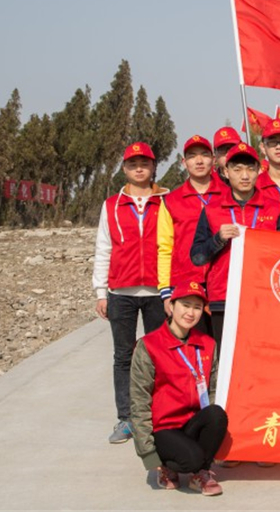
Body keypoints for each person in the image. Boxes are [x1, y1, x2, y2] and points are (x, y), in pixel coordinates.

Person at [93, 142, 169, 444]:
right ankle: (126, 418)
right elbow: (104, 248)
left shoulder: (165, 201)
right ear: (124, 168)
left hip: (157, 291)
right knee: (123, 356)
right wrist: (101, 291)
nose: (139, 168)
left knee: (159, 355)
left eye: (145, 163)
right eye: (133, 164)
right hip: (120, 291)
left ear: (153, 167)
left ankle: (159, 415)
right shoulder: (111, 205)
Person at [129, 281, 229, 496]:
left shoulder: (207, 344)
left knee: (216, 414)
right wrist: (148, 454)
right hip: (164, 428)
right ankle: (168, 466)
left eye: (197, 307)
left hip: (192, 423)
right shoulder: (149, 345)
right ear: (171, 306)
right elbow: (139, 400)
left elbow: (212, 389)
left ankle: (200, 473)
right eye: (185, 305)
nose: (190, 313)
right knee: (191, 459)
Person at [191, 143, 280, 352]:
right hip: (223, 298)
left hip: (264, 298)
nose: (244, 176)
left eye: (250, 169)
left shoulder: (274, 208)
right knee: (226, 357)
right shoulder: (212, 210)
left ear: (259, 170)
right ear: (226, 172)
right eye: (237, 169)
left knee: (263, 356)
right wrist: (218, 239)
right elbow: (197, 257)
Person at [157, 135, 223, 324]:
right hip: (185, 285)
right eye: (192, 156)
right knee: (192, 340)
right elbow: (164, 248)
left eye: (204, 155)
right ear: (184, 162)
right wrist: (165, 292)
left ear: (213, 159)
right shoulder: (171, 201)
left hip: (222, 284)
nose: (199, 161)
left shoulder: (229, 195)